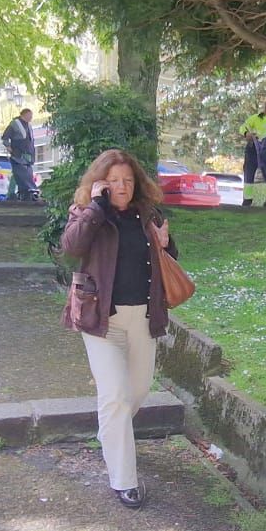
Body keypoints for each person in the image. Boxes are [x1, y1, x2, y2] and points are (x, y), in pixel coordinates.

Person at [60, 149, 178, 509]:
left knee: (137, 392)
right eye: (114, 181)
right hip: (102, 321)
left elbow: (170, 257)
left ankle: (110, 434)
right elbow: (71, 247)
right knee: (115, 397)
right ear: (100, 183)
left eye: (127, 180)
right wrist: (97, 208)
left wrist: (166, 243)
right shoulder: (87, 213)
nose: (122, 187)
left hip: (143, 317)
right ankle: (124, 481)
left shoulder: (148, 214)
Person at [3, 107, 40, 202]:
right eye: (30, 115)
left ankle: (19, 193)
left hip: (28, 154)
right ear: (25, 114)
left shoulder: (29, 126)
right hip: (18, 154)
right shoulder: (15, 124)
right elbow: (5, 137)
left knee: (20, 174)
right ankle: (18, 193)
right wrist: (8, 147)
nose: (31, 118)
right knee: (21, 173)